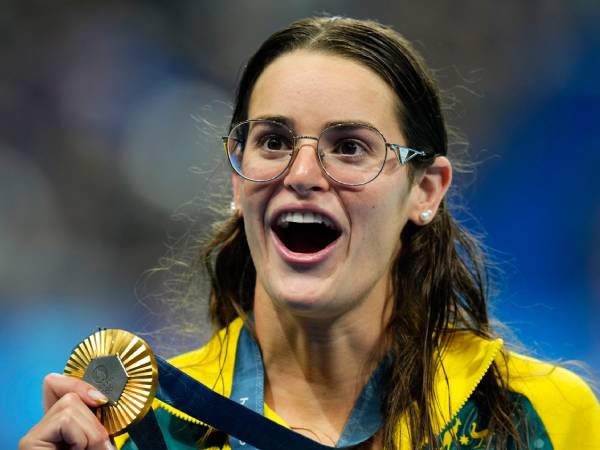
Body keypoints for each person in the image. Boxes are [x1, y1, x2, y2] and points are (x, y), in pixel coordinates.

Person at [19, 16, 600, 450]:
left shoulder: (542, 417)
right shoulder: (143, 431)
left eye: (349, 148)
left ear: (426, 190)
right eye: (273, 141)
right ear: (236, 176)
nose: (301, 175)